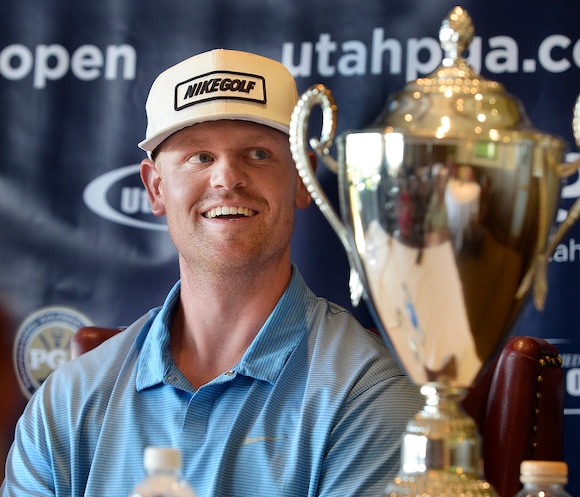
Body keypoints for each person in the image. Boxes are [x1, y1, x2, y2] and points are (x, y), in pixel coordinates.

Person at [1, 49, 424, 497]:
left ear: (303, 181)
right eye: (200, 157)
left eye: (258, 154)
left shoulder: (366, 396)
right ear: (156, 187)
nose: (227, 178)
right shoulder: (67, 401)